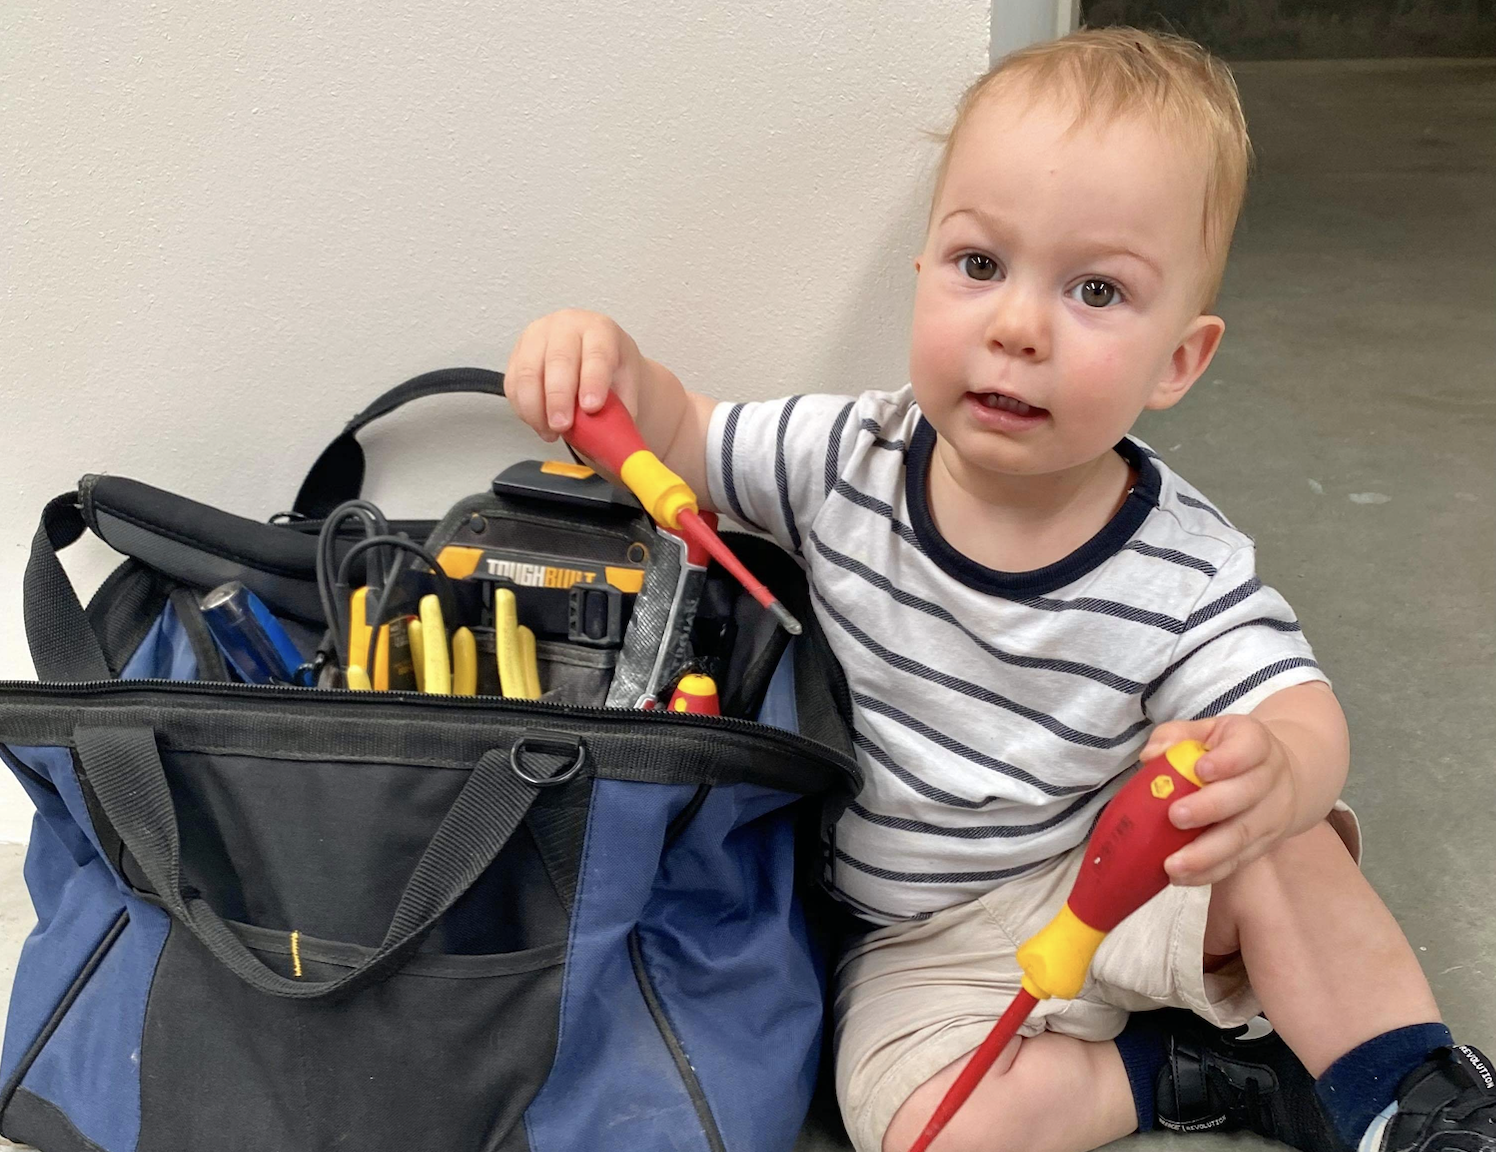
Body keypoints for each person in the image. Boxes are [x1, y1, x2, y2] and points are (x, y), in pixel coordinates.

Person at [503, 27, 1494, 1152]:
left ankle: (1409, 1096)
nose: (1017, 328)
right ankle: (1182, 1072)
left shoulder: (1178, 558)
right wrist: (601, 364)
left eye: (1095, 291)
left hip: (1112, 875)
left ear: (1179, 358)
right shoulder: (841, 456)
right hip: (918, 943)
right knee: (918, 1126)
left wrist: (1279, 769)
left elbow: (1293, 706)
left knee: (1284, 839)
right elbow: (678, 438)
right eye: (980, 267)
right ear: (921, 275)